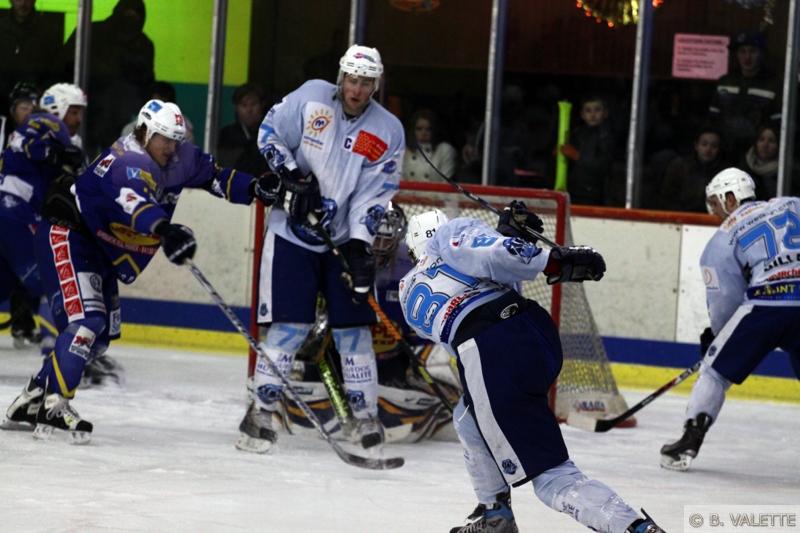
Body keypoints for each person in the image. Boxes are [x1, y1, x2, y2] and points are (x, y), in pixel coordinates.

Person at [1, 98, 278, 443]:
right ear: (145, 132)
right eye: (164, 139)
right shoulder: (126, 161)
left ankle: (32, 398)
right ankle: (54, 406)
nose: (171, 147)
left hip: (100, 248)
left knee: (99, 339)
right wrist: (165, 230)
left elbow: (216, 177)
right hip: (70, 236)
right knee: (86, 322)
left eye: (176, 140)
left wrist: (253, 187)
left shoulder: (178, 157)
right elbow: (135, 204)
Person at [398, 204, 664, 533]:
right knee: (466, 416)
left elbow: (475, 270)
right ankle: (494, 513)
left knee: (552, 479)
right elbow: (488, 259)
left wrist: (509, 239)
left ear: (414, 249)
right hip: (531, 334)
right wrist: (530, 248)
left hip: (488, 351)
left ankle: (635, 528)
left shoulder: (407, 292)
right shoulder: (452, 236)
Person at [238, 44, 405, 454]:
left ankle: (364, 418)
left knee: (353, 330)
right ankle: (260, 412)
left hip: (341, 242)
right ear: (341, 77)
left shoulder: (387, 130)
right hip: (291, 235)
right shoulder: (311, 97)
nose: (357, 89)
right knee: (290, 327)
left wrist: (359, 245)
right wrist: (293, 177)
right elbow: (269, 132)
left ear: (375, 85)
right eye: (353, 80)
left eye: (366, 83)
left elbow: (375, 192)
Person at [274, 205, 460, 442]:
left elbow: (429, 327)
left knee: (437, 357)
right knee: (298, 347)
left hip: (391, 362)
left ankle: (445, 405)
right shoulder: (334, 262)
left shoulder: (411, 269)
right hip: (339, 358)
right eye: (374, 238)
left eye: (385, 239)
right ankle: (279, 396)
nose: (378, 247)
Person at [660, 168, 800, 472]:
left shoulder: (723, 237)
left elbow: (725, 298)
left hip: (766, 305)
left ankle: (690, 440)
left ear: (731, 197)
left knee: (714, 372)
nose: (713, 212)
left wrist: (719, 336)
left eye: (715, 202)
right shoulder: (791, 204)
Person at [0, 83, 86, 351]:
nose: (79, 119)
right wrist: (57, 154)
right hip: (14, 213)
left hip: (14, 214)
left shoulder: (62, 137)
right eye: (74, 111)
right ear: (57, 108)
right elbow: (27, 144)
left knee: (4, 284)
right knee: (51, 280)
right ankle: (62, 350)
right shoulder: (44, 123)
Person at [57, 0, 155, 155]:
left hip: (119, 118)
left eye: (135, 15)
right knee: (81, 156)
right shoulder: (91, 32)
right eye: (127, 14)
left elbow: (146, 83)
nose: (129, 20)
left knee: (110, 161)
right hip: (87, 111)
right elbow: (66, 66)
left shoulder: (143, 45)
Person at [709, 32, 781, 158]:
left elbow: (777, 126)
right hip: (724, 152)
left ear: (761, 54)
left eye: (753, 51)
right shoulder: (724, 82)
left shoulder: (773, 85)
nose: (747, 57)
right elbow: (712, 120)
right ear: (737, 55)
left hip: (758, 155)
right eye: (742, 51)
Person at [0, 0, 62, 112]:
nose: (23, 3)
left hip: (35, 103)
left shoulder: (48, 32)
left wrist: (42, 93)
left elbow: (56, 70)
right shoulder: (2, 28)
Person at [561, 95, 617, 206]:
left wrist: (577, 156)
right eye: (588, 110)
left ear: (605, 113)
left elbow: (604, 166)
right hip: (574, 190)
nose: (593, 115)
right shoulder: (577, 133)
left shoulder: (607, 136)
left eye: (597, 110)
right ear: (582, 115)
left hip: (595, 194)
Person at [659, 126, 725, 212]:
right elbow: (667, 198)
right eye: (704, 144)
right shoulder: (679, 166)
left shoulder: (724, 172)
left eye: (714, 146)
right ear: (696, 146)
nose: (708, 149)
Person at [216, 82, 269, 175]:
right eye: (244, 105)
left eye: (253, 104)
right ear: (236, 108)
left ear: (262, 105)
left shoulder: (271, 134)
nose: (249, 110)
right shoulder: (227, 135)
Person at [120, 81, 195, 145]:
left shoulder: (183, 133)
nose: (159, 110)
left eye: (164, 105)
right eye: (155, 105)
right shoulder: (130, 131)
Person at [402, 109, 458, 181]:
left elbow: (446, 182)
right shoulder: (404, 150)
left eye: (428, 129)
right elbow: (400, 178)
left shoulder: (444, 150)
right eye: (419, 129)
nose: (424, 133)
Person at [739, 123, 779, 200]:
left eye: (771, 141)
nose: (765, 145)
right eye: (761, 139)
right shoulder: (743, 168)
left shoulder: (785, 173)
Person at [1, 81, 40, 149]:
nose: (29, 113)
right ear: (12, 109)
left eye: (33, 110)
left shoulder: (40, 133)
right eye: (24, 108)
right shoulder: (2, 125)